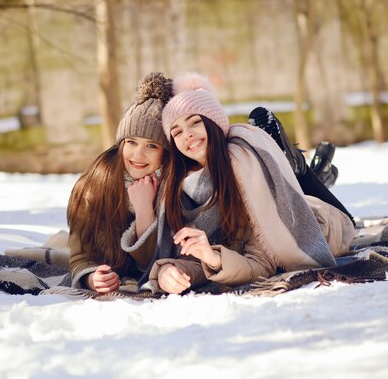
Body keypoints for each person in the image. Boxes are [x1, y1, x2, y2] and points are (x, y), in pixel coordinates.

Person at [148, 73, 356, 294]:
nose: (187, 134)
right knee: (292, 185)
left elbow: (263, 262)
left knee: (349, 221)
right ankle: (301, 170)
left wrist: (215, 258)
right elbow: (196, 260)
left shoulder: (243, 170)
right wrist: (168, 270)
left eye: (195, 122)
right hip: (296, 201)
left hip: (321, 224)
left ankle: (300, 170)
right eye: (177, 132)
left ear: (214, 123)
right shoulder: (177, 188)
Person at [67, 72, 173, 293]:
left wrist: (145, 212)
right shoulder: (95, 183)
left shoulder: (175, 185)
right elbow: (81, 255)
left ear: (166, 152)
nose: (138, 154)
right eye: (131, 142)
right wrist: (91, 278)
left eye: (152, 145)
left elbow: (150, 264)